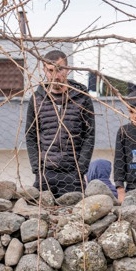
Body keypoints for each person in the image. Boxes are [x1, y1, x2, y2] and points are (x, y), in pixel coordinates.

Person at [25, 50, 96, 198]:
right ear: (44, 70)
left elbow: (89, 135)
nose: (56, 76)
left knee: (74, 217)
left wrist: (81, 168)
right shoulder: (37, 99)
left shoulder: (82, 98)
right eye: (50, 71)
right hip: (45, 174)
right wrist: (37, 168)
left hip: (73, 175)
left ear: (68, 70)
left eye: (60, 70)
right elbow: (30, 135)